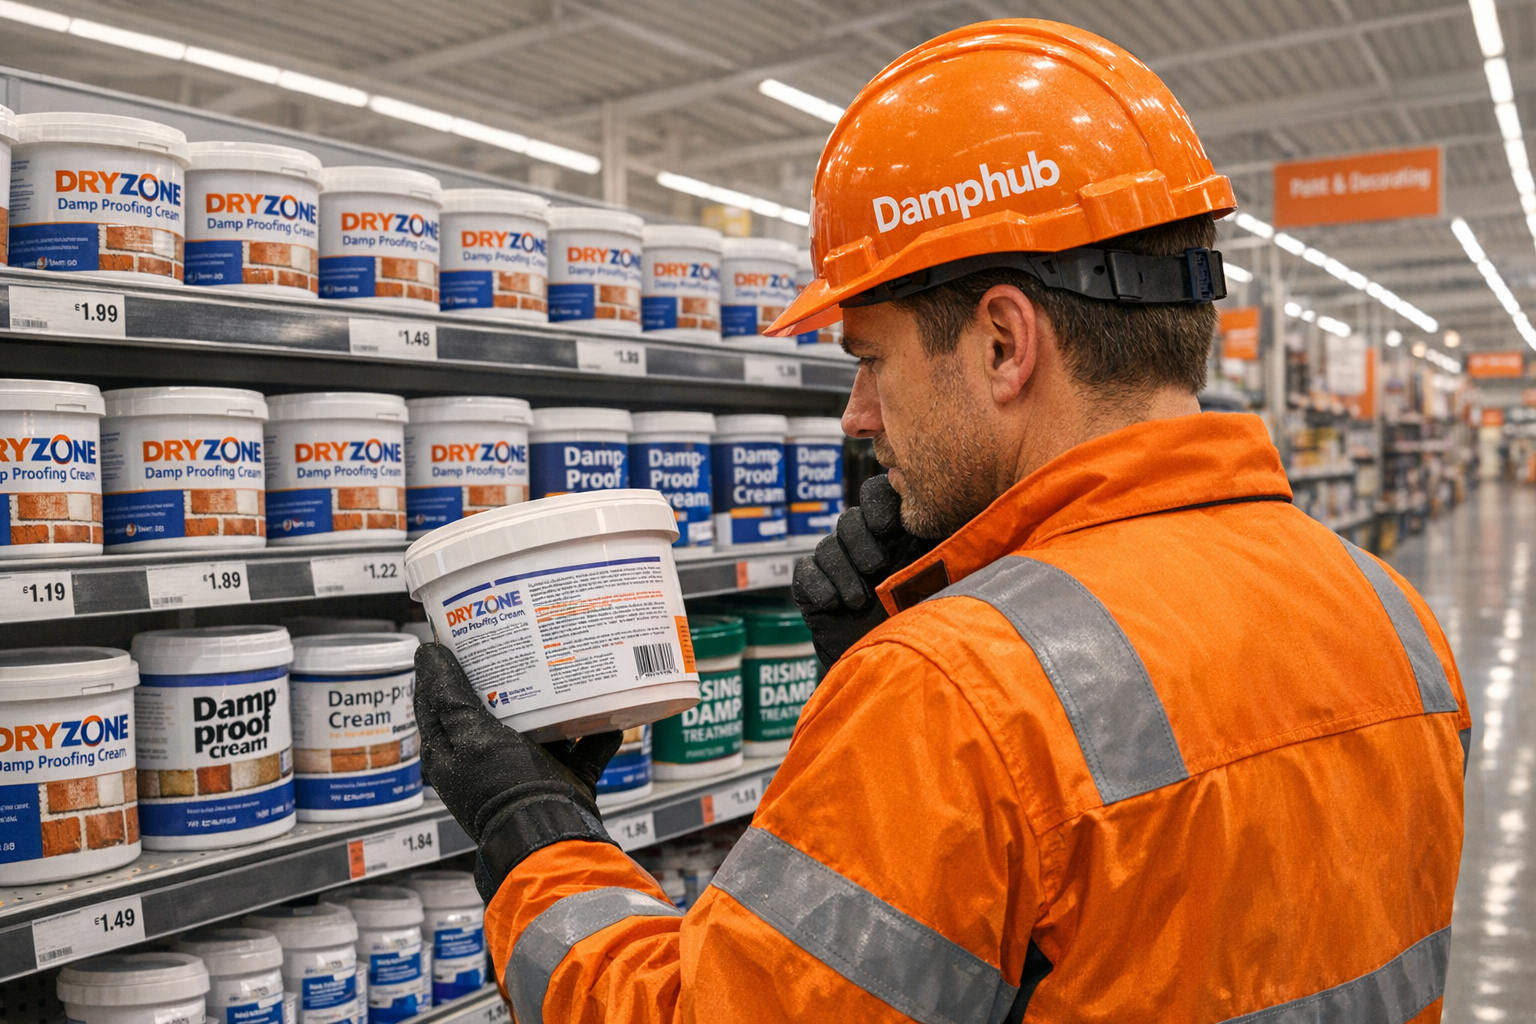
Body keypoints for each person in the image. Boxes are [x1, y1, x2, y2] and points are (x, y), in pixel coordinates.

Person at [414, 19, 1470, 1023]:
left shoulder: (959, 692)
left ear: (1005, 344)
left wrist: (532, 834)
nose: (858, 415)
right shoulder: (1394, 616)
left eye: (870, 358)